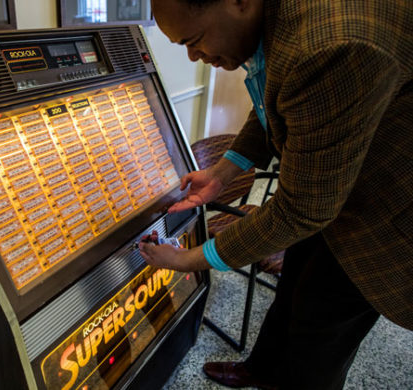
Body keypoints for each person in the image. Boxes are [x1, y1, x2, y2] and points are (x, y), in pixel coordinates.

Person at [139, 0, 413, 389]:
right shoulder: (287, 25)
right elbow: (282, 97)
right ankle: (262, 368)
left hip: (384, 214)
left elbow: (301, 211)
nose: (194, 56)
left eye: (195, 40)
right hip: (333, 185)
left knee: (319, 335)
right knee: (292, 293)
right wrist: (223, 172)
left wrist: (190, 259)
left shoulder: (330, 44)